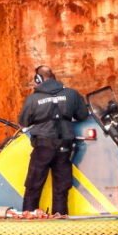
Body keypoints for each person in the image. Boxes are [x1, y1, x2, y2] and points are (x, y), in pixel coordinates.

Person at [18, 66, 90, 216]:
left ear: (38, 79)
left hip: (43, 146)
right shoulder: (72, 94)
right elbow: (83, 116)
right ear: (54, 77)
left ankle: (29, 218)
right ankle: (60, 221)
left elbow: (23, 122)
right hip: (64, 147)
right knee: (61, 188)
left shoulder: (33, 99)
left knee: (33, 186)